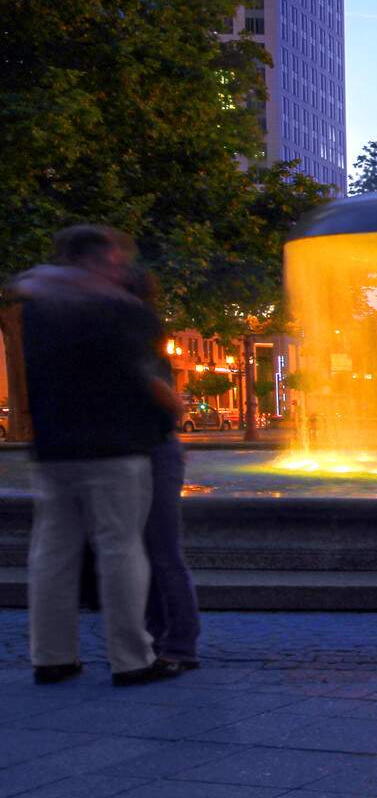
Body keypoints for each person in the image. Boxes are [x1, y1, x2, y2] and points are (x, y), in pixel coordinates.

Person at [12, 226, 185, 687]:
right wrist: (172, 407)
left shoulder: (36, 307)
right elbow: (140, 377)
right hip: (116, 446)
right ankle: (131, 659)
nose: (120, 267)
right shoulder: (123, 309)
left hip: (52, 447)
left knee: (51, 552)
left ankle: (51, 657)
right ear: (96, 260)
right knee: (120, 548)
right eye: (113, 259)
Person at [125, 269, 199, 670]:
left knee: (162, 552)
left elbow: (170, 403)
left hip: (153, 452)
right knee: (149, 552)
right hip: (134, 453)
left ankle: (179, 645)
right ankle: (157, 639)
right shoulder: (135, 340)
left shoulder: (139, 343)